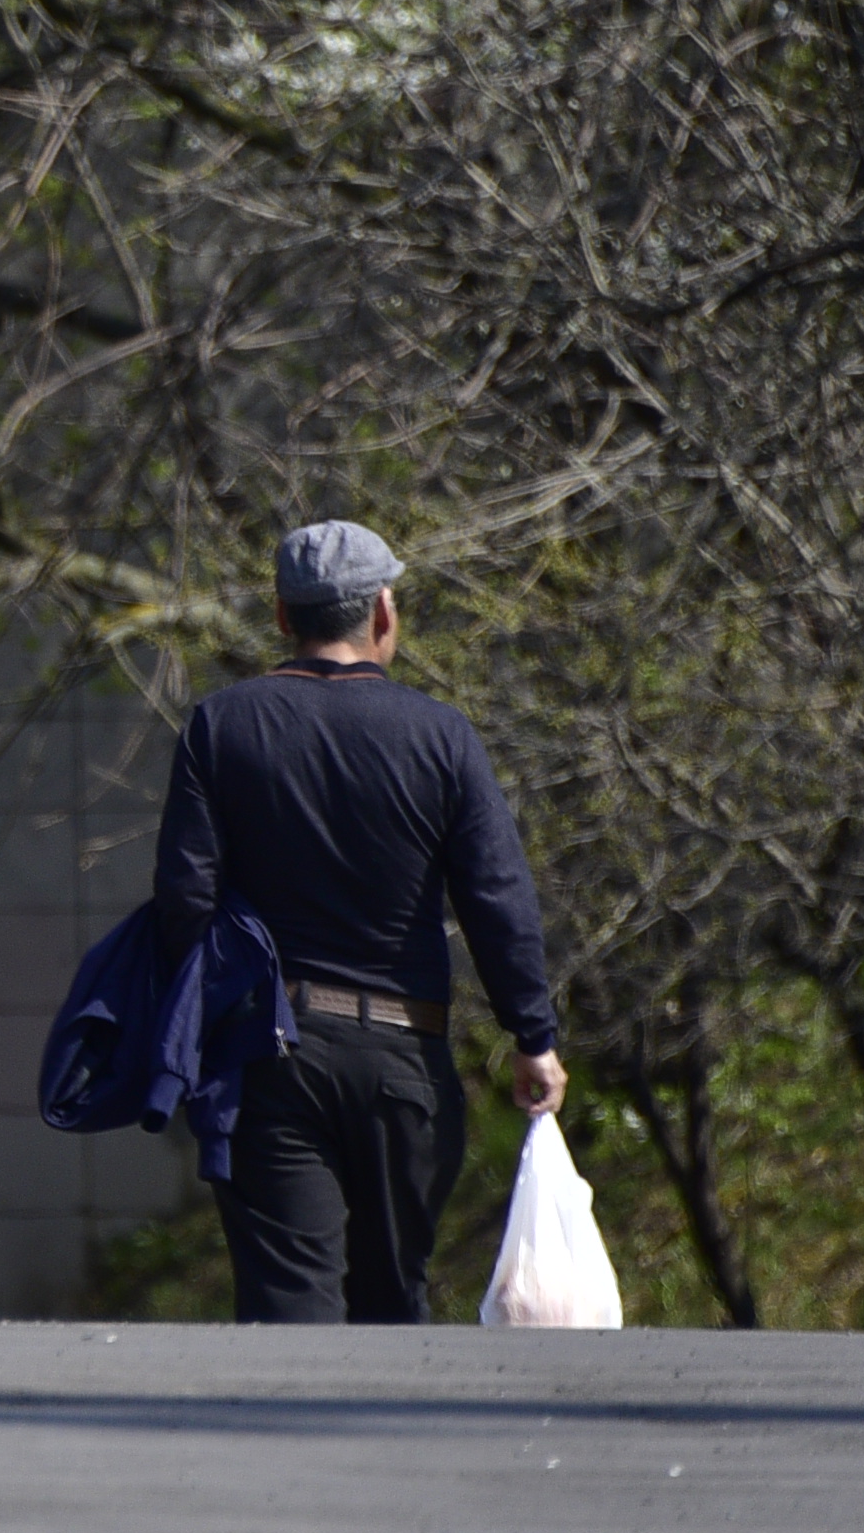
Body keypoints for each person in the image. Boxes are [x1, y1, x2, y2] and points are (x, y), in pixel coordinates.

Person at [147, 520, 566, 1324]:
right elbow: (497, 898)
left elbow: (184, 901)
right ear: (383, 611)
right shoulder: (441, 735)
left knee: (286, 1306)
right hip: (404, 1062)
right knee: (391, 1302)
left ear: (281, 617)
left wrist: (206, 1022)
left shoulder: (222, 725)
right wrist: (533, 1036)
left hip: (271, 1056)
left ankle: (283, 1446)